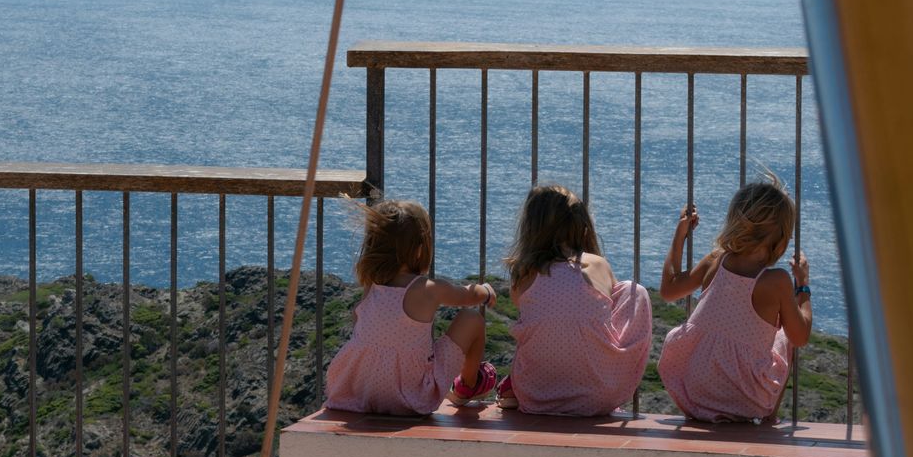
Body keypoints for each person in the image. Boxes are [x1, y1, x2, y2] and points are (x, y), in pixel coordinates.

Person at [657, 174, 812, 422]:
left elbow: (669, 290)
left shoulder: (716, 260)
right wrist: (803, 286)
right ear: (782, 237)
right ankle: (769, 419)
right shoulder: (777, 281)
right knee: (784, 337)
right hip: (746, 400)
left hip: (696, 392)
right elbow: (800, 336)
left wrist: (680, 234)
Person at [324, 199, 498, 415]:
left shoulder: (372, 285)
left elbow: (357, 319)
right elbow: (468, 295)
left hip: (359, 390)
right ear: (418, 250)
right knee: (472, 319)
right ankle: (467, 386)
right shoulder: (428, 289)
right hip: (411, 396)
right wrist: (487, 291)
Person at [498, 185, 651, 415]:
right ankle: (606, 374)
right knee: (634, 292)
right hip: (598, 397)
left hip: (535, 395)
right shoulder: (597, 265)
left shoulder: (524, 277)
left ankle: (515, 384)